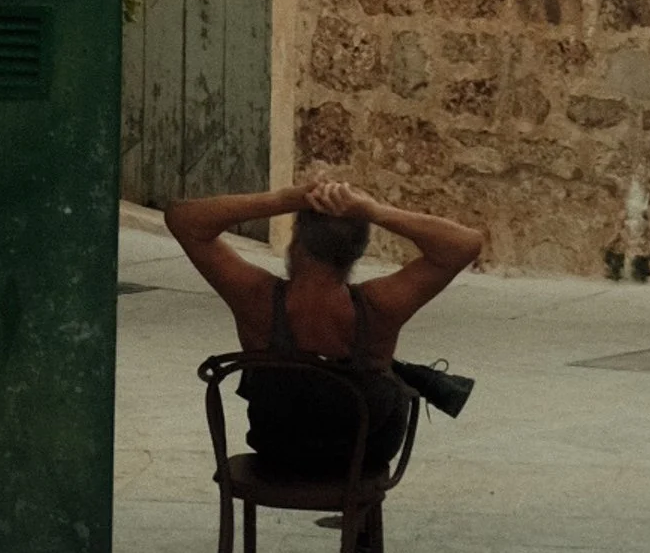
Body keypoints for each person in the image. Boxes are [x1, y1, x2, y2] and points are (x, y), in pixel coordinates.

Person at [164, 180, 484, 483]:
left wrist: (284, 200)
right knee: (389, 378)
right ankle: (359, 516)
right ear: (356, 252)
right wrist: (375, 211)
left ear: (296, 245)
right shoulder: (379, 307)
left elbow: (183, 219)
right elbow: (465, 245)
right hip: (361, 459)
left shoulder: (256, 299)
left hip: (277, 451)